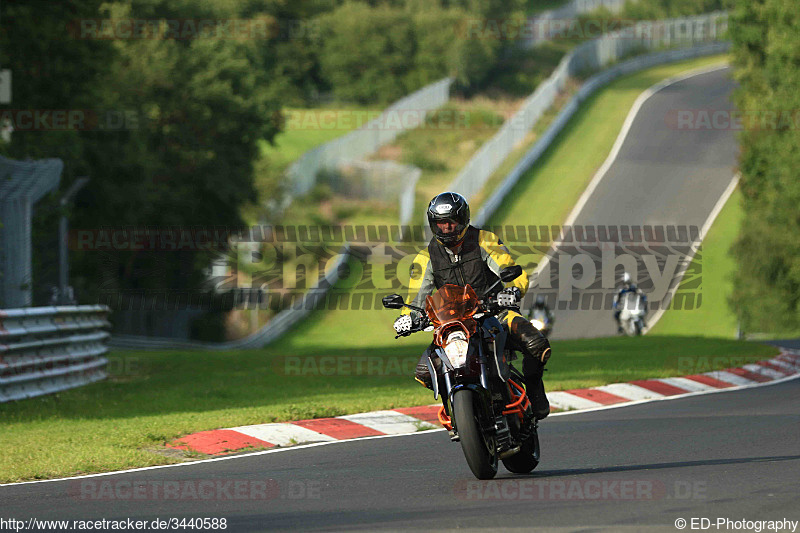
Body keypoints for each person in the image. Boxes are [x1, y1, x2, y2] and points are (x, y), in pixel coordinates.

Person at [393, 192, 552, 420]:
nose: (446, 228)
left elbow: (513, 271)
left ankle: (535, 389)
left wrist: (513, 291)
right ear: (432, 225)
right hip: (452, 323)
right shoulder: (425, 257)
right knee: (424, 373)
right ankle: (460, 409)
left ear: (463, 219)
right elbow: (417, 296)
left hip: (495, 312)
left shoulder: (483, 240)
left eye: (451, 222)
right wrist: (407, 318)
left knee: (536, 343)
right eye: (440, 224)